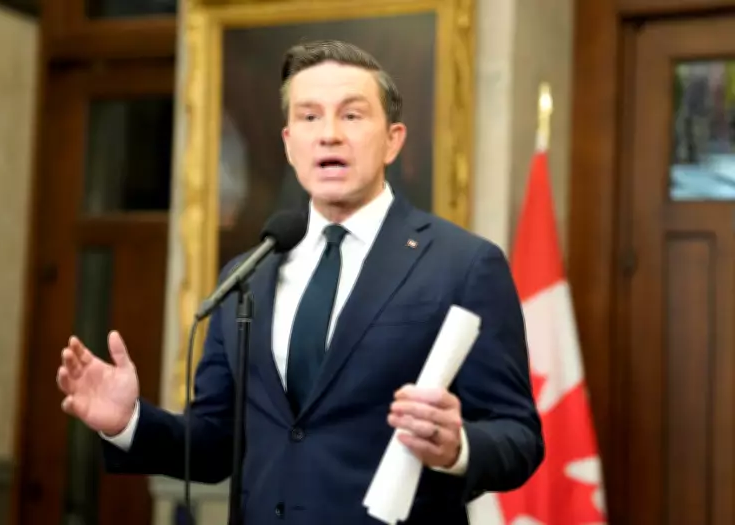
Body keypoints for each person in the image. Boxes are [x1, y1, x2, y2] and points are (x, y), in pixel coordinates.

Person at [56, 40, 543, 525]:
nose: (329, 135)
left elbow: (518, 435)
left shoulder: (462, 263)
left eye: (351, 115)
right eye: (310, 117)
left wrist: (458, 446)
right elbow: (214, 445)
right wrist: (129, 422)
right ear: (289, 144)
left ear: (393, 140)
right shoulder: (247, 276)